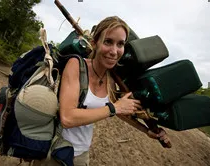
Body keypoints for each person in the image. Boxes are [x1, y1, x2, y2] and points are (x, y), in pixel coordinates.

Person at [34, 16, 170, 166]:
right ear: (94, 43)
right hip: (55, 151)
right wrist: (114, 107)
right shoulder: (76, 65)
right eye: (108, 42)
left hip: (81, 154)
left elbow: (119, 111)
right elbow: (67, 118)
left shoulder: (110, 77)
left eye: (120, 44)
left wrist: (146, 130)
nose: (114, 51)